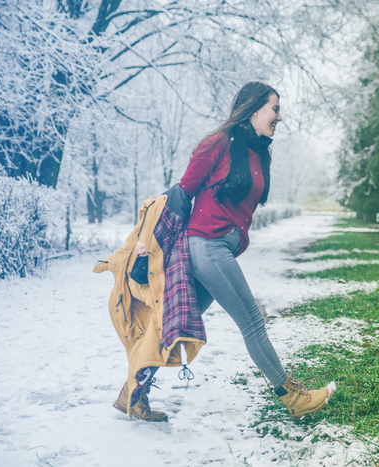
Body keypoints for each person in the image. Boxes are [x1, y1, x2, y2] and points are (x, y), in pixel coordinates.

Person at [113, 82, 335, 422]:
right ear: (254, 108)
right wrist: (147, 243)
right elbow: (182, 192)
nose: (279, 116)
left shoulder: (259, 151)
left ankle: (131, 391)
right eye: (275, 108)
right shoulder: (219, 144)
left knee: (170, 326)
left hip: (219, 249)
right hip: (205, 247)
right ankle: (291, 395)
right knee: (252, 321)